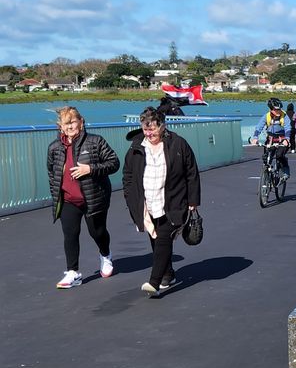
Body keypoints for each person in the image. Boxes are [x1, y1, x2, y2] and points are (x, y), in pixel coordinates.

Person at [122, 107, 201, 297]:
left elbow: (191, 172)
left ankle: (154, 282)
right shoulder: (136, 146)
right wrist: (130, 195)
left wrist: (193, 200)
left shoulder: (178, 144)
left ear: (163, 126)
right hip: (147, 201)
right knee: (155, 238)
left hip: (172, 200)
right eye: (145, 129)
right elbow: (128, 174)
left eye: (153, 129)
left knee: (163, 237)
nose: (149, 133)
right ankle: (168, 273)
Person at [48, 106, 120, 288]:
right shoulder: (54, 148)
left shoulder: (95, 142)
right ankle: (73, 272)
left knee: (97, 232)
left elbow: (114, 162)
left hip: (94, 198)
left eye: (73, 121)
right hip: (68, 200)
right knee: (70, 234)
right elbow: (52, 172)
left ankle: (105, 255)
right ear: (60, 127)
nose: (70, 126)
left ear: (81, 122)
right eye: (66, 123)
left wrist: (91, 169)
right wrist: (57, 195)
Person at [250, 97, 293, 179]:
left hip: (282, 139)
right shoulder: (266, 116)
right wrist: (255, 137)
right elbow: (259, 127)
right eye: (276, 110)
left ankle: (285, 171)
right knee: (266, 158)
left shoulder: (284, 116)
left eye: (280, 109)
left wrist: (287, 139)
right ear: (271, 109)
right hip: (270, 140)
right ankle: (267, 176)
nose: (278, 111)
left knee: (279, 155)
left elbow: (288, 128)